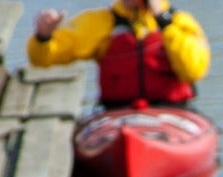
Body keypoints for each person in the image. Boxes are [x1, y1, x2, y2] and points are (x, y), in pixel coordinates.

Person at [28, 0, 211, 109]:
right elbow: (43, 59)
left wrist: (163, 22)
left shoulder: (180, 23)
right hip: (117, 112)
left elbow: (193, 70)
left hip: (173, 111)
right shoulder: (100, 22)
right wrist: (43, 37)